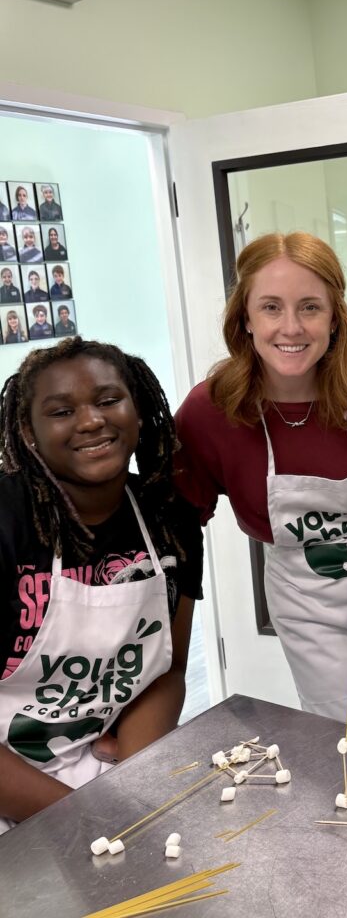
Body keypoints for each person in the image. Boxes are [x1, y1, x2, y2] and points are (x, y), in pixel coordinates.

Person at [174, 231, 347, 726]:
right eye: (270, 308)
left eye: (309, 307)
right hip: (311, 610)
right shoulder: (210, 411)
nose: (291, 327)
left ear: (334, 317)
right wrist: (166, 656)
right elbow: (176, 530)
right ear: (244, 317)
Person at [0, 337, 203, 832]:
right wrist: (87, 820)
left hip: (104, 771)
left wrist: (131, 786)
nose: (92, 421)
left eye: (109, 400)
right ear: (29, 431)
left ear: (137, 409)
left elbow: (167, 670)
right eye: (62, 410)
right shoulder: (6, 522)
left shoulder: (168, 517)